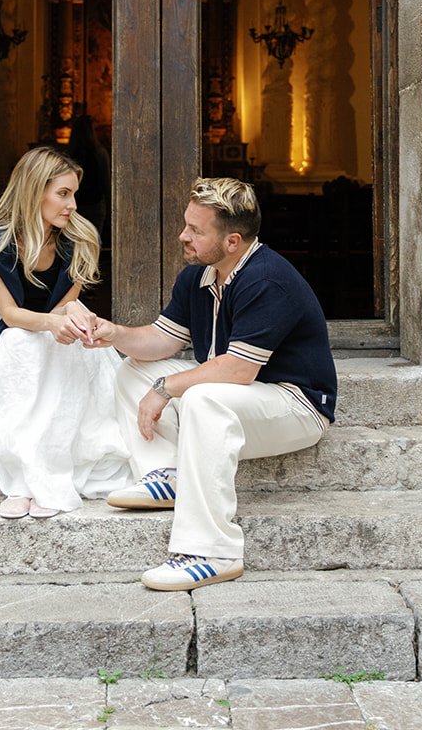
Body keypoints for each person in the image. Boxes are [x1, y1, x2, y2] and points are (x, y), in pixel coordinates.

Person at [85, 176, 337, 591]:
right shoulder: (198, 277)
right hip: (237, 399)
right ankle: (166, 474)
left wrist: (166, 388)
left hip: (296, 406)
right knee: (132, 368)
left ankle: (213, 552)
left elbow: (238, 370)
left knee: (200, 397)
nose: (183, 236)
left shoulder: (266, 279)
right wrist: (115, 333)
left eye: (196, 231)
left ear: (233, 241)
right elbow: (161, 341)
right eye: (187, 224)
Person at [0, 145, 132, 519]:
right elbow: (11, 314)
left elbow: (65, 304)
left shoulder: (79, 239)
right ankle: (20, 482)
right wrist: (51, 324)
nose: (73, 205)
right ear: (33, 191)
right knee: (20, 346)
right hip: (9, 329)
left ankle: (47, 474)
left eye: (73, 194)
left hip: (57, 322)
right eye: (63, 194)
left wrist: (70, 323)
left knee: (70, 350)